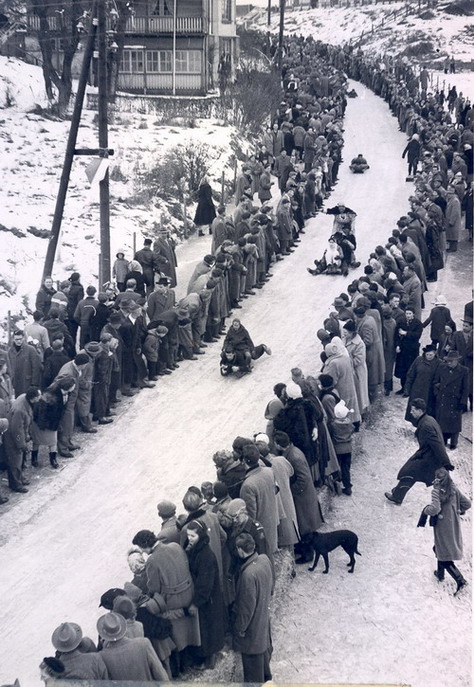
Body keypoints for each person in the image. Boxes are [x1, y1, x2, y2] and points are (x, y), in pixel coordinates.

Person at [385, 398, 453, 505]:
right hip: (429, 455)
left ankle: (397, 496)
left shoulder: (426, 426)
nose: (411, 412)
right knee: (411, 473)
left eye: (413, 410)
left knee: (409, 472)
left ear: (420, 411)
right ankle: (397, 493)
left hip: (430, 457)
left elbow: (437, 445)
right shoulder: (429, 419)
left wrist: (446, 463)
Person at [232, 533, 273, 684]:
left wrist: (240, 628)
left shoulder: (248, 575)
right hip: (263, 617)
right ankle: (266, 676)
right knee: (263, 649)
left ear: (240, 550)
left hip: (252, 627)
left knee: (252, 663)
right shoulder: (264, 559)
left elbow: (246, 608)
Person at [422, 467, 470, 596]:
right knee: (440, 548)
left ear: (437, 478)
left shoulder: (436, 491)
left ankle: (461, 581)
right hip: (453, 525)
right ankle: (440, 574)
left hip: (442, 526)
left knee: (441, 550)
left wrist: (426, 510)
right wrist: (457, 510)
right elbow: (467, 504)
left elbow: (435, 509)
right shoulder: (453, 488)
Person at [184, 520, 225, 669]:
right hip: (206, 598)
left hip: (208, 599)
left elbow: (204, 583)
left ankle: (209, 660)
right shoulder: (195, 548)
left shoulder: (206, 555)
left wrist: (196, 603)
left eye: (193, 536)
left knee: (208, 629)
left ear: (200, 536)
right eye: (188, 535)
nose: (190, 539)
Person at [97, 612, 169, 680]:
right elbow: (161, 675)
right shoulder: (143, 643)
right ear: (122, 627)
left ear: (103, 635)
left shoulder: (102, 656)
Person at [240, 443, 279, 558]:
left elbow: (250, 515)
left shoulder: (248, 485)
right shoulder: (268, 471)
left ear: (244, 461)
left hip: (260, 529)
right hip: (272, 520)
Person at [31, 376, 76, 469]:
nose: (74, 387)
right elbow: (42, 409)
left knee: (53, 441)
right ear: (68, 386)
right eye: (73, 386)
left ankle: (53, 459)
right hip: (43, 421)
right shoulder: (52, 391)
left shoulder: (67, 392)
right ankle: (34, 458)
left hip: (54, 421)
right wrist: (42, 423)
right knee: (36, 440)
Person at [3, 386, 41, 493]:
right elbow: (16, 430)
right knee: (15, 461)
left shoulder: (25, 397)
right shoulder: (20, 410)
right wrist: (22, 445)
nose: (40, 397)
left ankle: (19, 478)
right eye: (39, 396)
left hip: (19, 434)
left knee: (20, 459)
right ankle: (16, 484)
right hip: (13, 437)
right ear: (33, 398)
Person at [433, 350, 469, 449]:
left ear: (457, 361)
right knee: (442, 422)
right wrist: (437, 393)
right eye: (448, 361)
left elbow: (466, 388)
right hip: (443, 399)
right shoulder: (441, 368)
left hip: (455, 400)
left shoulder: (464, 371)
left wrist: (463, 402)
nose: (449, 363)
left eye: (451, 361)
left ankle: (454, 442)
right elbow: (435, 382)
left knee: (454, 424)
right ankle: (443, 439)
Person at [328, 400, 355, 495]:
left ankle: (337, 484)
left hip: (337, 449)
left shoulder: (332, 424)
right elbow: (352, 430)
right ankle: (348, 487)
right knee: (346, 468)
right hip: (348, 449)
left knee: (336, 467)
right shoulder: (349, 423)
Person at [394, 306, 423, 393]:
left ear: (413, 314)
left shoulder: (418, 323)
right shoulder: (401, 322)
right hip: (403, 350)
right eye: (407, 313)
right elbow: (396, 335)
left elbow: (417, 335)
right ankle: (403, 388)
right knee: (402, 369)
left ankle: (410, 389)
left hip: (412, 350)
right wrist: (397, 345)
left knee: (411, 369)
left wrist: (406, 333)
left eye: (410, 314)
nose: (408, 315)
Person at [7, 329, 42, 398]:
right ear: (13, 339)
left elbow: (36, 367)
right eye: (16, 339)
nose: (19, 341)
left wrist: (34, 384)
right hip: (15, 383)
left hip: (27, 383)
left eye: (20, 339)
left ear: (23, 338)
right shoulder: (10, 351)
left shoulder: (30, 350)